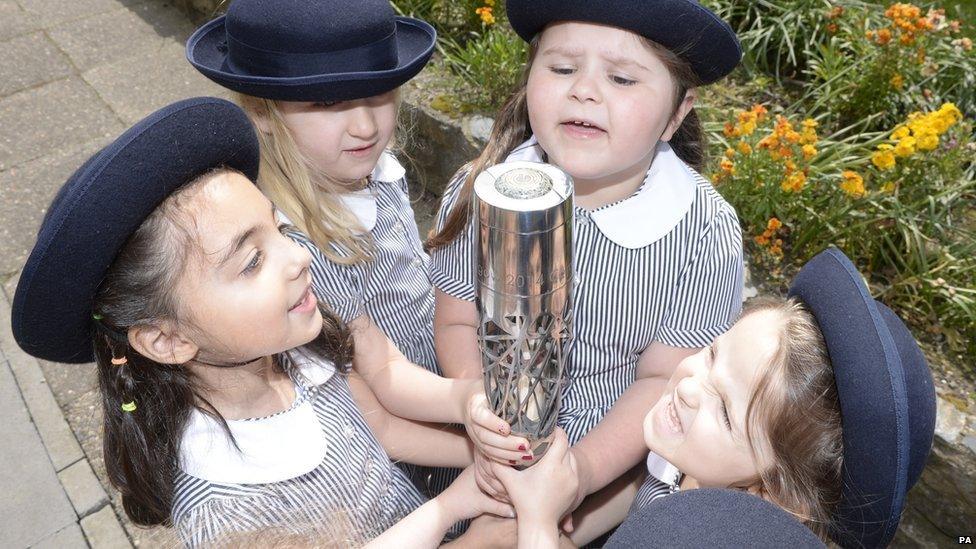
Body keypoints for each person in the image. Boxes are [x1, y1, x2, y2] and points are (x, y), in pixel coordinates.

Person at [10, 98, 514, 547]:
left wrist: (483, 464)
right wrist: (461, 521)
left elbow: (378, 428)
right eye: (252, 261)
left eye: (279, 229)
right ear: (167, 338)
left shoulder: (297, 353)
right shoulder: (225, 513)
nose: (298, 256)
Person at [427, 0, 745, 538]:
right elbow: (457, 320)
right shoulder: (482, 191)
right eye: (562, 68)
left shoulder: (702, 233)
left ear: (676, 113)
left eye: (621, 77)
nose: (585, 91)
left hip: (600, 483)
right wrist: (479, 407)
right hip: (474, 455)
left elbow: (662, 381)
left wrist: (579, 475)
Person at [185, 0, 474, 502]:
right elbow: (375, 386)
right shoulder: (293, 251)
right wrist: (476, 436)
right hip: (408, 443)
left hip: (440, 375)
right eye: (325, 104)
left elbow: (411, 277)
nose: (365, 126)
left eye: (378, 92)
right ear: (261, 111)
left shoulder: (374, 171)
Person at [491, 247, 936, 548]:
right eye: (711, 354)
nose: (686, 384)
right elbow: (649, 495)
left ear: (776, 494)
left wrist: (537, 520)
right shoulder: (700, 468)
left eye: (723, 410)